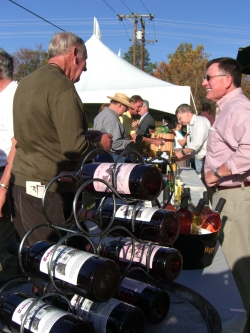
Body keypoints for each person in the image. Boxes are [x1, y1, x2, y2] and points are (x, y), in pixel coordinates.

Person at [9, 32, 112, 246]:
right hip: (49, 193)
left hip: (21, 187)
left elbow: (40, 133)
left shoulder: (25, 84)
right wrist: (99, 144)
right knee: (57, 265)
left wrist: (84, 134)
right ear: (74, 53)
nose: (83, 73)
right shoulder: (62, 86)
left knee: (35, 261)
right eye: (84, 64)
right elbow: (74, 148)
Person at [203, 57, 250, 321]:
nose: (204, 82)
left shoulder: (239, 108)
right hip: (228, 196)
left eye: (208, 77)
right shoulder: (229, 108)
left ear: (226, 80)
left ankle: (241, 324)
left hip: (235, 197)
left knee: (237, 266)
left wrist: (219, 173)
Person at [0, 48, 18, 279]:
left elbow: (18, 143)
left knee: (6, 241)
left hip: (7, 174)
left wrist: (3, 186)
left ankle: (10, 294)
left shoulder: (15, 95)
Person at [175, 104, 210, 179]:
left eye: (179, 118)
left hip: (207, 160)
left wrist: (181, 153)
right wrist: (182, 157)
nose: (179, 121)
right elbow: (195, 150)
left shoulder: (200, 121)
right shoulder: (192, 125)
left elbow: (197, 143)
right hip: (203, 160)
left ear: (187, 113)